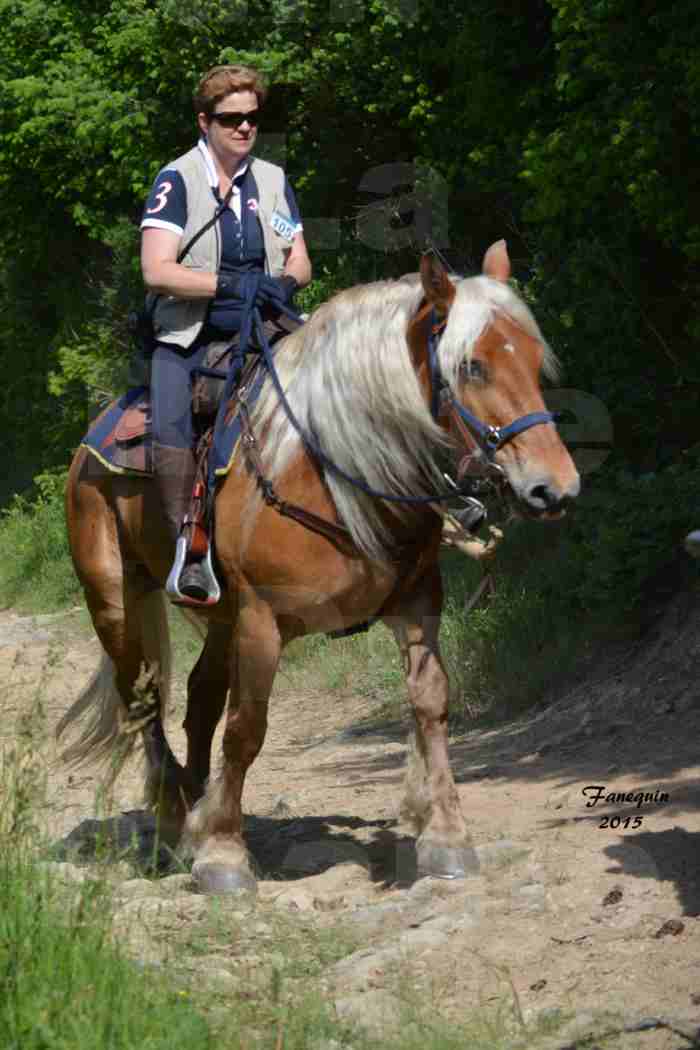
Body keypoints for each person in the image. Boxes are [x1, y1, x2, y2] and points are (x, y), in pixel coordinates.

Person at [140, 64, 312, 602]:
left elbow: (301, 258)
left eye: (252, 118)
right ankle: (188, 553)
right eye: (230, 118)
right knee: (170, 425)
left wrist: (281, 283)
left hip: (262, 327)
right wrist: (226, 286)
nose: (243, 128)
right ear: (204, 121)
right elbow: (157, 270)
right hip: (188, 335)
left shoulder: (273, 182)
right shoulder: (176, 181)